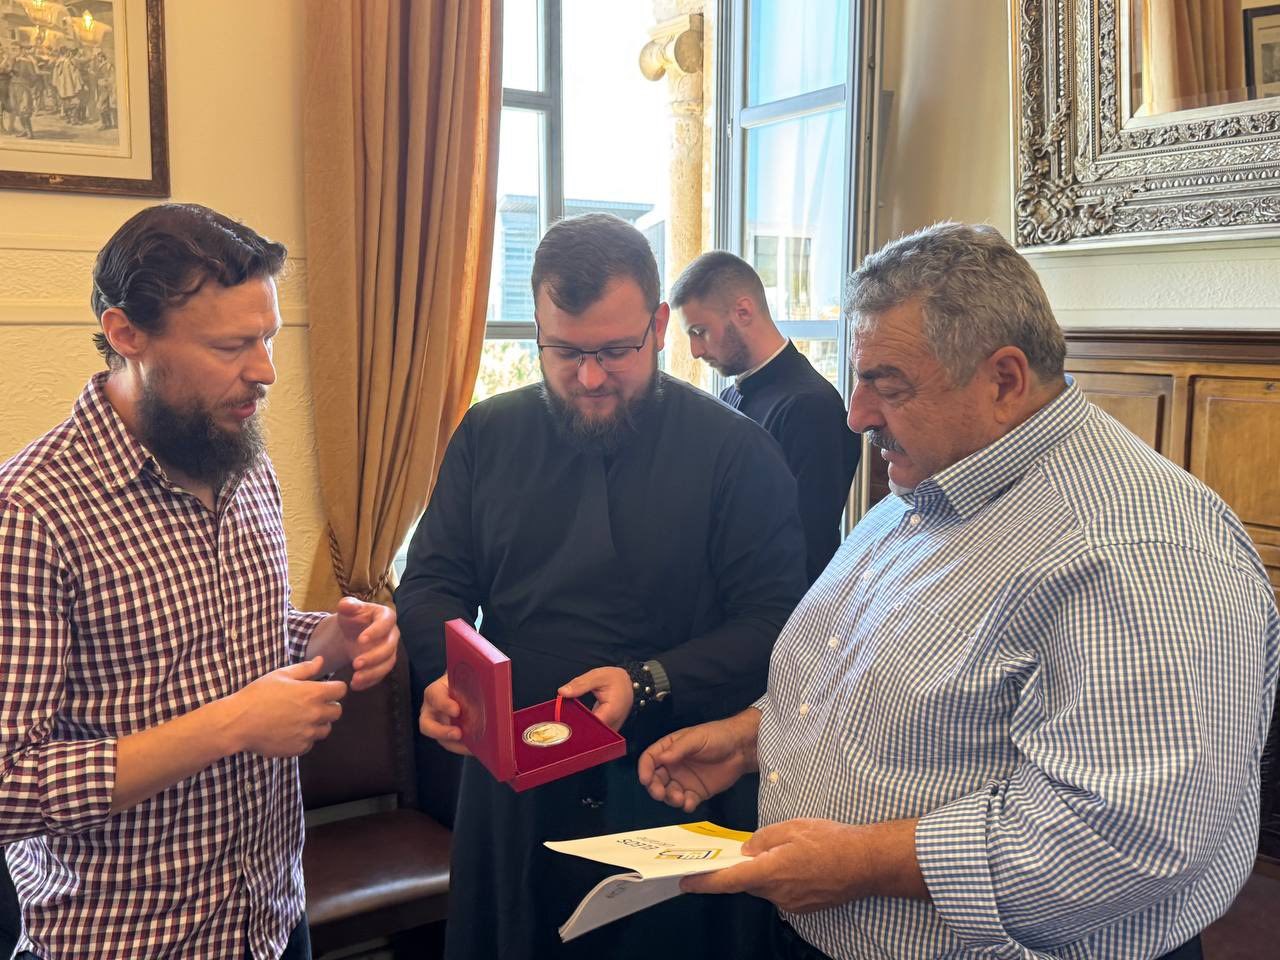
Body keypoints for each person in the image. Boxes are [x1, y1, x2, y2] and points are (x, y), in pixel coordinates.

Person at [639, 222, 1280, 960]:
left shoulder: (1137, 553)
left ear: (1003, 380)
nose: (856, 415)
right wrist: (755, 738)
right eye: (860, 379)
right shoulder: (933, 481)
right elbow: (880, 686)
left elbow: (1128, 837)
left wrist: (863, 862)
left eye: (888, 386)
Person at [397, 212, 808, 960]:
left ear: (659, 325)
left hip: (673, 775)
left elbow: (775, 621)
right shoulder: (487, 436)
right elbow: (430, 584)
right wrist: (444, 676)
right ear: (538, 333)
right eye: (566, 352)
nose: (590, 378)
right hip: (516, 778)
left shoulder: (737, 453)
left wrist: (647, 680)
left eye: (616, 351)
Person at [0, 203, 401, 959]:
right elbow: (6, 783)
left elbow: (236, 638)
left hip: (271, 918)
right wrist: (231, 726)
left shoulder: (241, 459)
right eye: (231, 345)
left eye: (268, 337)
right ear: (126, 335)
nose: (265, 370)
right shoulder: (31, 512)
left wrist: (325, 638)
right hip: (126, 941)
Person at [671, 251, 859, 582]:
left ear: (743, 312)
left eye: (700, 331)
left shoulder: (812, 407)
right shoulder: (729, 396)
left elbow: (806, 546)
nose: (695, 351)